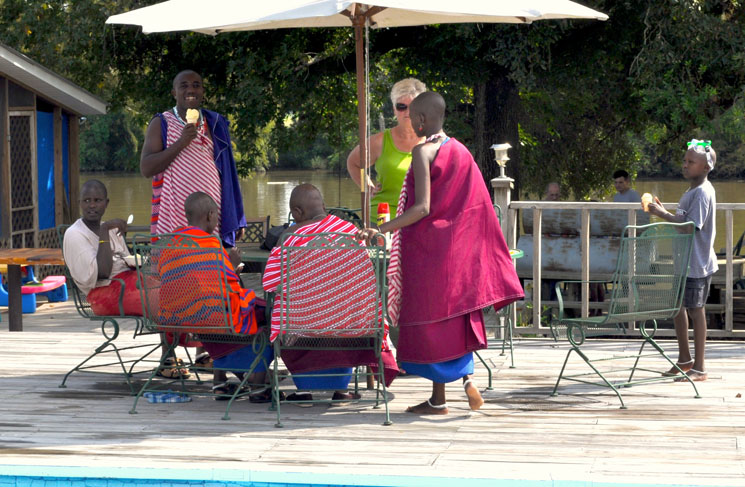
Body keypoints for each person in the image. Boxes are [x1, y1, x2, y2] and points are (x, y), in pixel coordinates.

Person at [358, 92, 523, 415]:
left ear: (421, 119)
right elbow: (476, 207)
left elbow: (422, 207)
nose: (410, 124)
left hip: (429, 252)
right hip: (459, 251)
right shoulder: (460, 150)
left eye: (411, 118)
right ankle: (448, 393)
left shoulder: (424, 151)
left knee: (431, 323)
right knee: (452, 321)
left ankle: (452, 390)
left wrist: (382, 228)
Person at [140, 69, 247, 369]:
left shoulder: (214, 122)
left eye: (196, 85)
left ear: (202, 91)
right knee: (172, 286)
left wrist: (230, 218)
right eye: (183, 85)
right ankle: (168, 355)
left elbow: (228, 172)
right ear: (173, 92)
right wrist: (181, 143)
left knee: (209, 286)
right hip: (174, 219)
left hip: (210, 220)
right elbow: (147, 168)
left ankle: (206, 351)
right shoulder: (161, 123)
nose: (191, 90)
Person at [262, 184, 398, 403]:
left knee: (279, 309)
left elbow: (269, 284)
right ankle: (341, 389)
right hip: (354, 333)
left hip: (301, 333)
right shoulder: (352, 232)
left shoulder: (289, 238)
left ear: (297, 212)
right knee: (348, 305)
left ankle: (304, 389)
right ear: (323, 206)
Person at [62, 180, 190, 378]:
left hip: (127, 281)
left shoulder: (111, 229)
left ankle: (188, 347)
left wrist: (137, 263)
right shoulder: (75, 234)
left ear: (106, 203)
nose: (92, 205)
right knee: (160, 299)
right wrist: (105, 232)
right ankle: (170, 355)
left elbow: (125, 260)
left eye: (97, 200)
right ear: (80, 203)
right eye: (87, 200)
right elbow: (103, 272)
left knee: (174, 289)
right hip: (102, 293)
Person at [161, 191, 273, 401]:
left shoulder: (172, 242)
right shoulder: (211, 245)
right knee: (269, 313)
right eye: (216, 216)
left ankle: (220, 383)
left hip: (179, 315)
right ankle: (258, 386)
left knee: (216, 315)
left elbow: (200, 281)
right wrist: (231, 264)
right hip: (212, 314)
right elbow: (222, 283)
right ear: (211, 214)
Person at [647, 139, 718, 382]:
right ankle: (685, 360)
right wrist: (664, 209)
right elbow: (683, 218)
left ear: (706, 167)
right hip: (683, 261)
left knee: (696, 311)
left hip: (696, 263)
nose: (685, 165)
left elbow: (690, 227)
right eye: (684, 161)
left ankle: (700, 367)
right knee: (678, 308)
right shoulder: (691, 190)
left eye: (691, 162)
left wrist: (661, 215)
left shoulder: (702, 192)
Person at [346, 78, 427, 217]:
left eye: (413, 106)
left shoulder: (434, 141)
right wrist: (367, 186)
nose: (407, 112)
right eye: (401, 106)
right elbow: (353, 162)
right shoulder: (379, 141)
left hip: (420, 220)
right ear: (394, 109)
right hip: (383, 219)